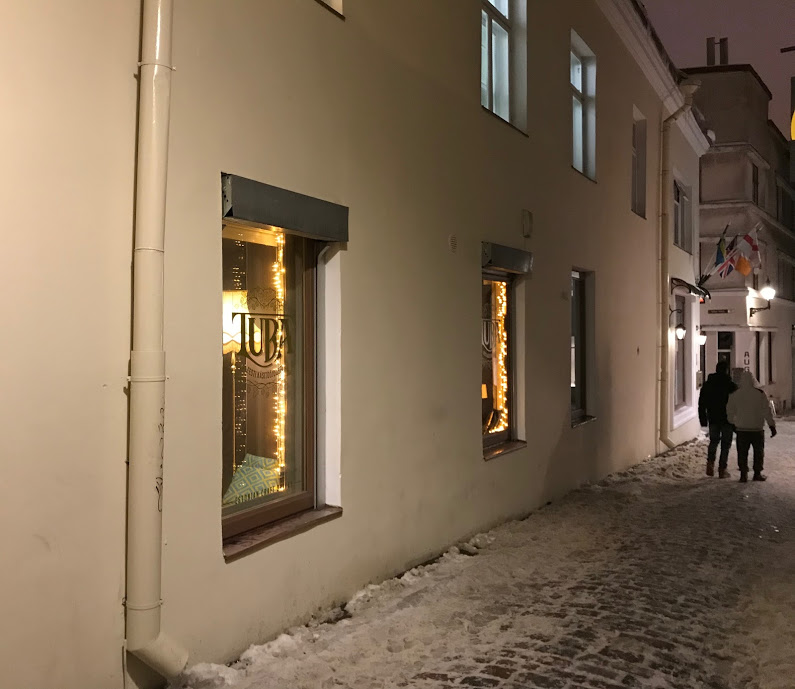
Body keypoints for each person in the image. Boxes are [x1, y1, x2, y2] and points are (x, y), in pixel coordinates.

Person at [726, 370, 777, 482]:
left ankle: (743, 474)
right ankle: (757, 473)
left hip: (741, 428)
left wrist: (733, 423)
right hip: (756, 428)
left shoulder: (735, 395)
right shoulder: (760, 394)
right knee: (758, 452)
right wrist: (772, 426)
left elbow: (730, 411)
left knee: (742, 452)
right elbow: (766, 411)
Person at [698, 360, 738, 478]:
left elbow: (702, 403)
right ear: (726, 371)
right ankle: (722, 469)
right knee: (725, 444)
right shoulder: (731, 386)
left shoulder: (708, 384)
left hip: (713, 417)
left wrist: (703, 418)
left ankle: (710, 464)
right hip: (727, 419)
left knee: (714, 441)